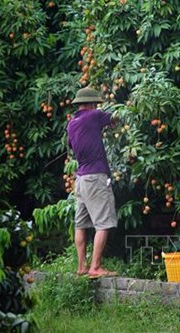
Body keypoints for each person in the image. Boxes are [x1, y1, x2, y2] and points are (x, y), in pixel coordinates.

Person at [67, 87, 118, 279]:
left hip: (80, 179)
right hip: (96, 177)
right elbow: (117, 116)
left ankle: (81, 266)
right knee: (103, 223)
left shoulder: (72, 123)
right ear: (91, 104)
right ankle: (95, 267)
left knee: (80, 224)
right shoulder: (94, 116)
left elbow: (75, 145)